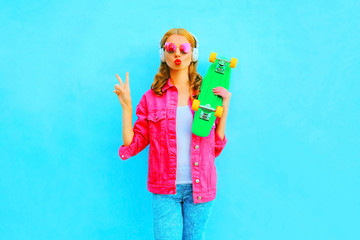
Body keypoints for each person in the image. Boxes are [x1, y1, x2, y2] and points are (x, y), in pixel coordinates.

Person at [113, 28, 231, 240]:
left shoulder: (207, 95)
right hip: (165, 189)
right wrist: (127, 107)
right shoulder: (151, 98)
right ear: (163, 54)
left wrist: (225, 108)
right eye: (171, 48)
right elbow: (133, 143)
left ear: (193, 55)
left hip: (200, 187)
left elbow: (215, 146)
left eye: (184, 48)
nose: (178, 54)